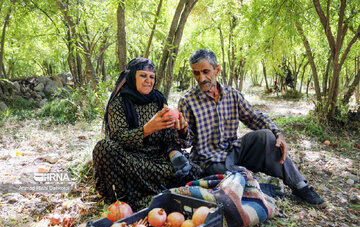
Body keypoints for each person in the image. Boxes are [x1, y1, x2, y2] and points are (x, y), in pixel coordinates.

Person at [177, 49, 326, 208]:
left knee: (266, 136)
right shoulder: (187, 101)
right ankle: (257, 187)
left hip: (233, 150)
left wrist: (278, 133)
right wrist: (183, 131)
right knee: (229, 174)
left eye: (206, 72)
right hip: (209, 160)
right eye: (196, 73)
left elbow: (254, 117)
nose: (201, 78)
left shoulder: (232, 94)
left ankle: (300, 186)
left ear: (217, 70)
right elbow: (185, 144)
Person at [92, 57, 201, 211]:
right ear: (131, 77)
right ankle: (124, 201)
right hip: (129, 160)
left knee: (194, 170)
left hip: (156, 162)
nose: (148, 81)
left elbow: (171, 141)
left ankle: (148, 194)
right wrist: (147, 129)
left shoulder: (159, 100)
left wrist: (181, 130)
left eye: (151, 77)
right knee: (103, 147)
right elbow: (117, 138)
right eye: (143, 76)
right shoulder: (119, 103)